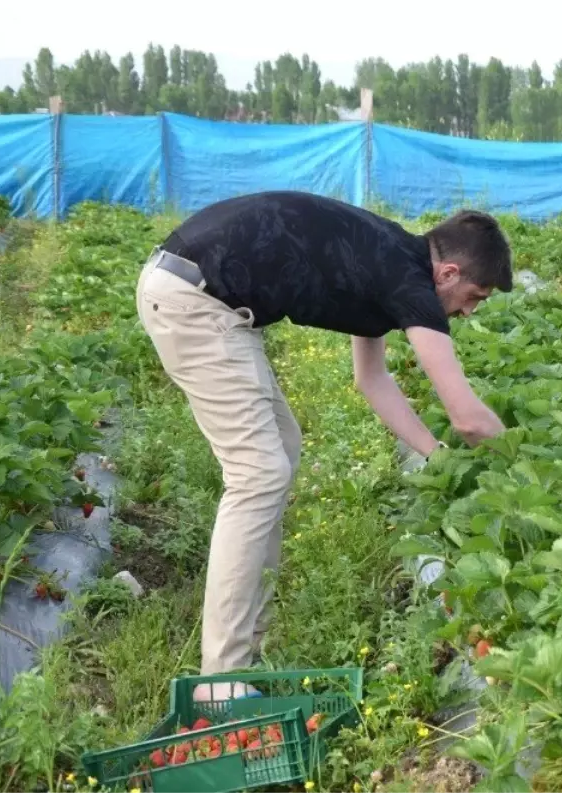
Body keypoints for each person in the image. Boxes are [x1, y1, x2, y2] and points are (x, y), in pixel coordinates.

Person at [135, 190, 510, 698]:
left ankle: (246, 648)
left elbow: (371, 379)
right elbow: (467, 418)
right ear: (448, 274)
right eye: (473, 298)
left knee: (281, 450)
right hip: (196, 301)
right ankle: (220, 680)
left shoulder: (387, 255)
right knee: (258, 473)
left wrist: (434, 455)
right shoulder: (409, 281)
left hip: (203, 294)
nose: (465, 314)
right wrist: (519, 464)